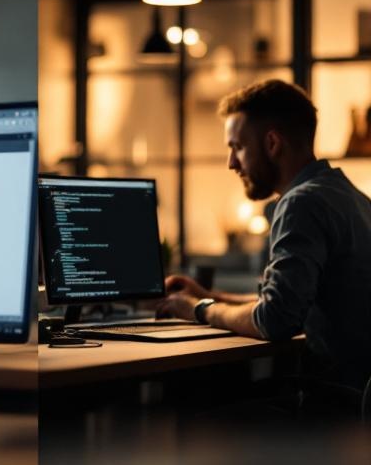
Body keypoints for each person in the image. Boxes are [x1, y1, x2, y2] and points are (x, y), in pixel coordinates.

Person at [157, 79, 371, 392]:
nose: (231, 164)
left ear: (272, 144)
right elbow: (290, 299)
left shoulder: (301, 203)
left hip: (339, 406)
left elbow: (276, 319)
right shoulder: (349, 196)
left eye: (237, 148)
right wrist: (209, 295)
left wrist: (195, 310)